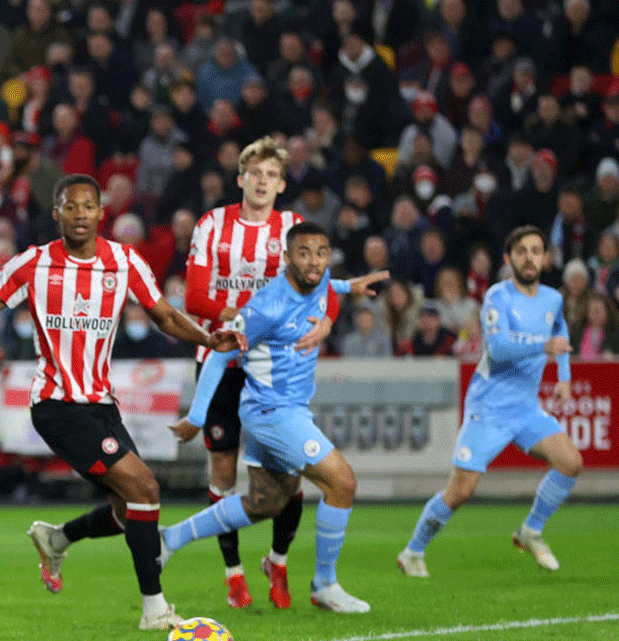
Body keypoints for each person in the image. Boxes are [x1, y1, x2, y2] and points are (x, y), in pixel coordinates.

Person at [0, 175, 247, 630]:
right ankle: (155, 609)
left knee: (130, 511)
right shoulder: (33, 265)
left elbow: (164, 315)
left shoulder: (124, 262)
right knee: (145, 489)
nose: (81, 213)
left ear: (101, 213)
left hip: (101, 405)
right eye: (71, 206)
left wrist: (208, 340)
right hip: (56, 405)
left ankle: (58, 538)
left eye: (89, 206)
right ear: (57, 214)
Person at [161, 222, 373, 613]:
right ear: (286, 258)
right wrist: (196, 416)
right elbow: (220, 354)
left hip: (283, 411)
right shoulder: (266, 306)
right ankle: (325, 584)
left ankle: (169, 539)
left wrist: (349, 286)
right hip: (271, 414)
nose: (315, 262)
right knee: (342, 483)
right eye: (305, 253)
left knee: (264, 502)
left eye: (322, 252)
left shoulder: (321, 278)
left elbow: (327, 284)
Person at [183, 136, 342, 610]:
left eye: (271, 175)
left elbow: (324, 286)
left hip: (277, 369)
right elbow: (194, 299)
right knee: (225, 469)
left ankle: (278, 559)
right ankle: (233, 572)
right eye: (254, 173)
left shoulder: (294, 228)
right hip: (223, 361)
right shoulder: (212, 225)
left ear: (281, 183)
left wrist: (329, 318)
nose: (261, 181)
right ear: (241, 178)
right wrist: (246, 317)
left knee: (285, 473)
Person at [398, 226, 584, 578]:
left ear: (545, 257)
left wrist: (563, 377)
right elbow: (498, 351)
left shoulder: (552, 299)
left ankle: (530, 531)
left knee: (570, 462)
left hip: (526, 409)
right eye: (522, 251)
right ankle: (412, 551)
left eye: (536, 250)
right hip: (489, 409)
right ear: (508, 259)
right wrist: (544, 348)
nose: (530, 257)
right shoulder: (498, 297)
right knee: (461, 491)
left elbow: (560, 332)